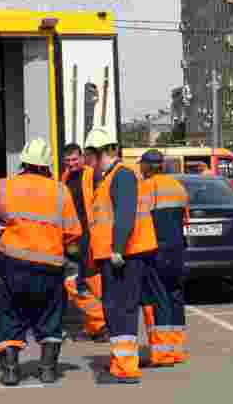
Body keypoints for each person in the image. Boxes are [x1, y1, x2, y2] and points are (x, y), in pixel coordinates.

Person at [0, 138, 81, 386]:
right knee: (50, 316)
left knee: (11, 315)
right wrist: (71, 252)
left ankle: (10, 371)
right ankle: (48, 370)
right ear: (47, 166)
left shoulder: (4, 186)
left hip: (14, 263)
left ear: (23, 162)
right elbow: (72, 232)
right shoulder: (60, 191)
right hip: (50, 265)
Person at [84, 127, 158, 385]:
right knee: (115, 309)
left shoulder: (122, 176)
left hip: (123, 256)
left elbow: (125, 214)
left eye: (89, 156)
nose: (89, 162)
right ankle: (121, 364)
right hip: (115, 255)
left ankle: (126, 368)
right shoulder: (110, 177)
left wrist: (117, 248)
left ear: (99, 153)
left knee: (122, 310)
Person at [138, 149, 190, 366]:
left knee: (159, 299)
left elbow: (140, 221)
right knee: (175, 296)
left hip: (156, 251)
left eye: (141, 165)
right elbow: (185, 220)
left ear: (147, 166)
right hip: (177, 251)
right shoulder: (178, 187)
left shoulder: (146, 187)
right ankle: (176, 350)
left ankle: (163, 354)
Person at [60, 143, 107, 341]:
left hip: (90, 235)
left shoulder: (92, 174)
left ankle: (102, 323)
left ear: (81, 158)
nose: (71, 164)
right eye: (68, 161)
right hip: (73, 237)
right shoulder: (65, 177)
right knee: (81, 282)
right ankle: (96, 326)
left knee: (89, 281)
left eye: (74, 160)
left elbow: (103, 202)